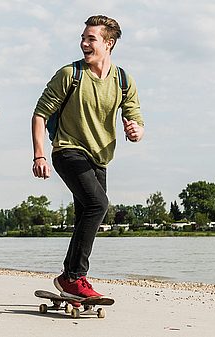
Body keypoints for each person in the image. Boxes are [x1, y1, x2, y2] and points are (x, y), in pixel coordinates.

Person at [31, 15, 144, 299]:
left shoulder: (123, 80)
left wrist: (135, 130)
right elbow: (40, 114)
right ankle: (75, 276)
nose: (84, 43)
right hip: (67, 150)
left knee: (86, 213)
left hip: (100, 157)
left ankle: (69, 276)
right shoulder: (70, 74)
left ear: (109, 43)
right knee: (98, 204)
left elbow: (136, 119)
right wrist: (39, 155)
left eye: (91, 38)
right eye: (83, 38)